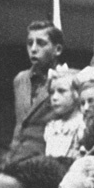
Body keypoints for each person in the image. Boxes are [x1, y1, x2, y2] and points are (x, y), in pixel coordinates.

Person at [11, 20, 63, 161]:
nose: (33, 49)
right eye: (30, 43)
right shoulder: (20, 79)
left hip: (44, 162)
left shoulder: (67, 80)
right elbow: (20, 124)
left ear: (57, 49)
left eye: (41, 43)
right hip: (15, 157)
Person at [43, 70, 84, 159]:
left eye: (61, 91)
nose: (54, 98)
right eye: (51, 92)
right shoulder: (52, 127)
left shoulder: (82, 124)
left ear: (76, 93)